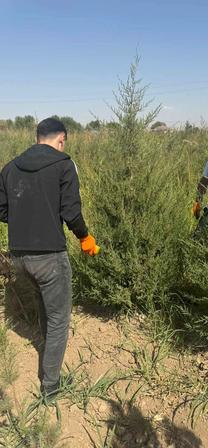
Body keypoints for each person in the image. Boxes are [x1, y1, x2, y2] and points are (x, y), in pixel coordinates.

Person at [0, 117, 99, 397]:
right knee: (58, 319)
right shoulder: (63, 164)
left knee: (46, 303)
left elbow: (2, 209)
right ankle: (52, 386)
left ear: (36, 138)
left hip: (19, 258)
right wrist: (84, 238)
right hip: (50, 258)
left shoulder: (10, 168)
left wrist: (25, 221)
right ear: (61, 140)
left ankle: (46, 351)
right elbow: (71, 212)